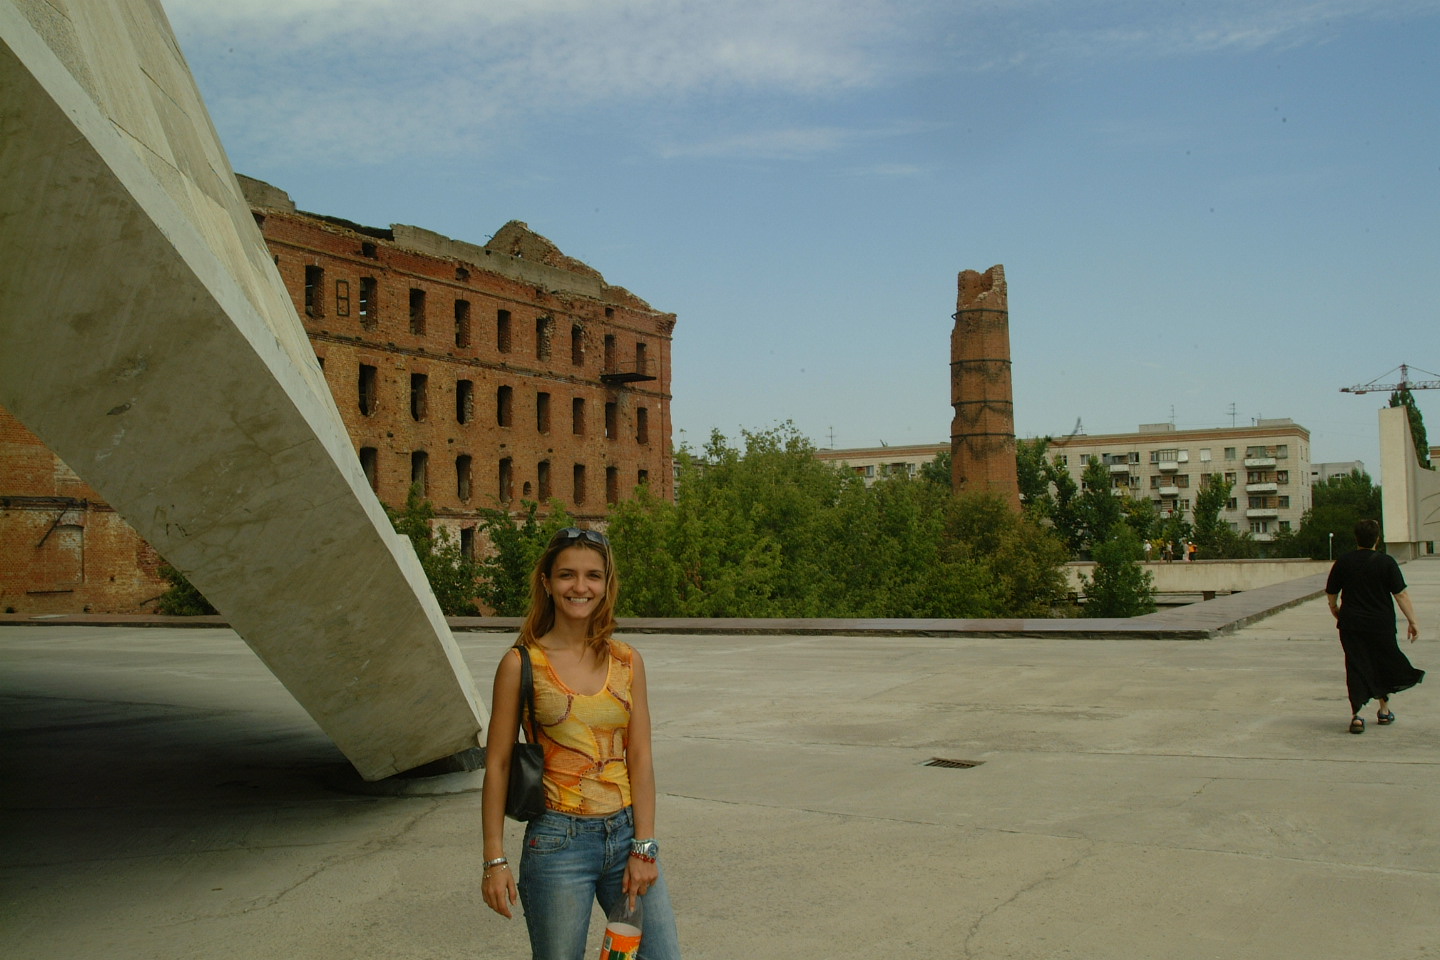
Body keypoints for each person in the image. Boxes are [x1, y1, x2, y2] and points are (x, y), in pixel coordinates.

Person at [481, 527, 682, 959]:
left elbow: (640, 757)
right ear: (547, 583)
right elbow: (497, 764)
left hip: (626, 835)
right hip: (558, 844)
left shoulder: (627, 660)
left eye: (593, 575)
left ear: (606, 585)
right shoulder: (521, 664)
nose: (580, 587)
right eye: (567, 575)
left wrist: (644, 846)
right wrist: (494, 860)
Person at [1324, 519, 1424, 734]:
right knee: (1381, 663)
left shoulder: (1344, 561)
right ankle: (1384, 711)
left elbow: (1331, 591)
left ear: (1356, 538)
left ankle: (1357, 716)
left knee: (1356, 665)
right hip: (1381, 624)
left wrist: (1334, 608)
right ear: (1377, 539)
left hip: (1351, 624)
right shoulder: (1386, 562)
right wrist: (1412, 621)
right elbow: (1401, 594)